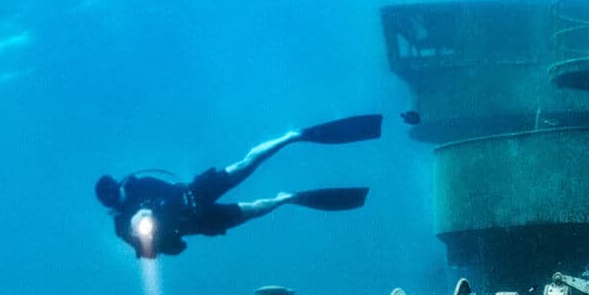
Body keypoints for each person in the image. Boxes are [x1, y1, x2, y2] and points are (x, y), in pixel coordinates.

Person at [95, 114, 383, 259]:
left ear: (117, 185)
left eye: (115, 191)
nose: (118, 197)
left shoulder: (138, 185)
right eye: (112, 198)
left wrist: (155, 209)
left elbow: (171, 189)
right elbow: (170, 250)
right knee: (255, 209)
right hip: (199, 222)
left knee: (247, 164)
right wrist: (147, 237)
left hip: (194, 194)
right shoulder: (123, 228)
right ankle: (287, 198)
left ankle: (292, 136)